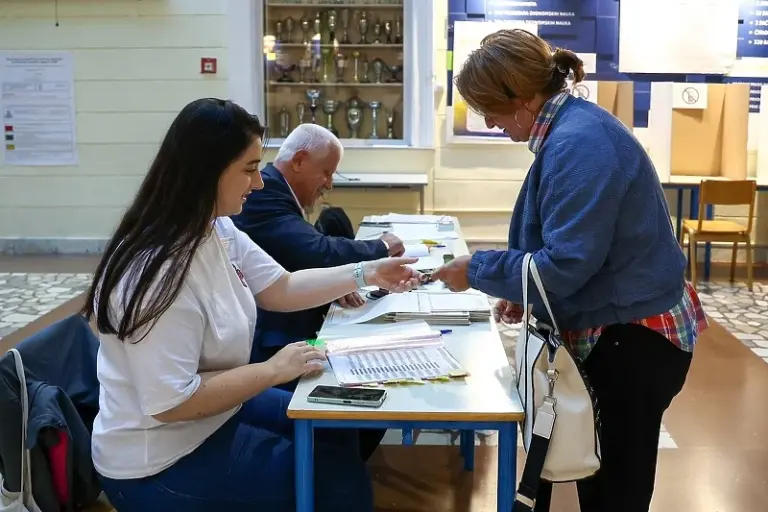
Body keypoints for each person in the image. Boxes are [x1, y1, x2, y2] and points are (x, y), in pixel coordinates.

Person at [80, 98, 421, 512]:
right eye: (248, 169)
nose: (258, 183)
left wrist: (366, 273)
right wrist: (273, 369)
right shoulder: (158, 271)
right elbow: (171, 403)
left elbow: (281, 285)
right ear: (206, 171)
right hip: (159, 460)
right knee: (334, 480)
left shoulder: (215, 226)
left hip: (209, 415)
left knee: (333, 428)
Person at [432, 30, 708, 512]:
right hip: (621, 328)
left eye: (489, 111)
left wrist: (477, 269)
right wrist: (524, 288)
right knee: (598, 472)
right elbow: (569, 241)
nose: (490, 123)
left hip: (633, 339)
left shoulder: (580, 144)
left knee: (614, 487)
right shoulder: (573, 130)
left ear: (519, 99)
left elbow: (565, 264)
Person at [232, 123, 405, 364]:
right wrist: (380, 250)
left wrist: (338, 284)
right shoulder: (265, 192)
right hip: (275, 339)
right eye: (327, 172)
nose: (329, 184)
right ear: (299, 161)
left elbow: (298, 258)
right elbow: (316, 252)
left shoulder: (276, 190)